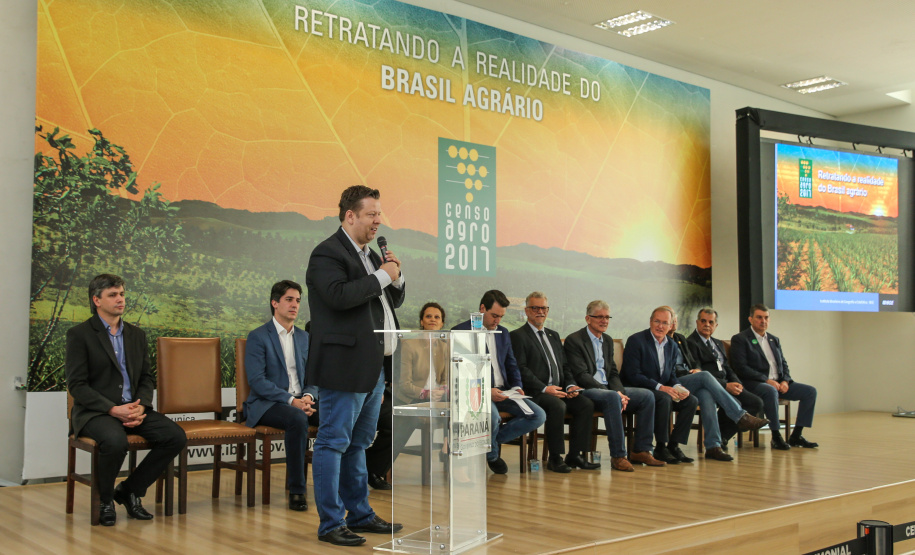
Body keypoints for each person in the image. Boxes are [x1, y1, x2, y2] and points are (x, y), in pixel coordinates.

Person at [305, 185, 405, 546]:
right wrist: (382, 275)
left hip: (373, 366)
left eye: (379, 214)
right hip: (343, 365)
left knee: (359, 442)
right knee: (333, 441)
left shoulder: (368, 256)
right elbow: (340, 296)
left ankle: (359, 513)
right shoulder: (327, 253)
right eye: (371, 214)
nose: (378, 221)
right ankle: (331, 522)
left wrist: (396, 274)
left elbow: (391, 297)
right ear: (350, 216)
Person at [65, 274, 186, 526]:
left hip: (133, 408)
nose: (120, 299)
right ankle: (106, 500)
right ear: (96, 300)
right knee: (114, 440)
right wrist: (112, 409)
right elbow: (77, 385)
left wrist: (140, 406)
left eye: (121, 294)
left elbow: (145, 377)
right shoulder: (80, 334)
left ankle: (130, 490)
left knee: (175, 436)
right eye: (112, 295)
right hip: (96, 413)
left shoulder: (136, 335)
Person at [242, 280, 318, 511]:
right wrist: (292, 401)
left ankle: (337, 483)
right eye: (289, 300)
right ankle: (297, 490)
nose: (294, 305)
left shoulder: (305, 337)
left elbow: (313, 377)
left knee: (336, 414)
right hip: (268, 404)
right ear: (275, 303)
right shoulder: (258, 336)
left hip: (300, 400)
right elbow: (257, 381)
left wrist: (307, 397)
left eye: (297, 301)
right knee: (297, 418)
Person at [563, 300, 664, 471]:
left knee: (647, 396)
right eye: (599, 317)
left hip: (608, 390)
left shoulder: (608, 340)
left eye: (607, 317)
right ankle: (618, 456)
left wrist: (619, 391)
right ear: (588, 318)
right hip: (587, 390)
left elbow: (613, 374)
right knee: (611, 397)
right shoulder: (575, 340)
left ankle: (641, 450)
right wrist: (612, 393)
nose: (604, 321)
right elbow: (582, 375)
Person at [452, 290, 546, 474]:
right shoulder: (460, 332)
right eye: (494, 315)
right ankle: (493, 455)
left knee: (538, 415)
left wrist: (517, 386)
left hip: (505, 391)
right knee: (493, 418)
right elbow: (461, 373)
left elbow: (511, 364)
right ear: (481, 308)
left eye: (501, 317)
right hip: (476, 392)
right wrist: (487, 391)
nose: (497, 321)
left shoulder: (503, 332)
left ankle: (490, 443)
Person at [510, 292, 596, 473]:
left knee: (585, 404)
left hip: (559, 390)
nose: (540, 312)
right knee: (557, 406)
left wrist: (571, 386)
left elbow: (565, 366)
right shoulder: (518, 336)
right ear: (527, 311)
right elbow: (521, 369)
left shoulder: (553, 335)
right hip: (535, 392)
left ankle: (575, 455)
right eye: (535, 308)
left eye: (544, 308)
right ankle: (555, 458)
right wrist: (544, 388)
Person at [667, 309, 768, 461]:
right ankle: (740, 416)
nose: (673, 323)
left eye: (674, 320)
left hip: (691, 379)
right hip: (675, 380)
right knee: (706, 376)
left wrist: (696, 369)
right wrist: (702, 373)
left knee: (707, 395)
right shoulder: (681, 340)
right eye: (668, 320)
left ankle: (713, 446)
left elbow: (694, 362)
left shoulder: (680, 338)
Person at [729, 304, 819, 450]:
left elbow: (783, 363)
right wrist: (766, 380)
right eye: (759, 317)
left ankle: (796, 435)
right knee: (770, 391)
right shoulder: (741, 339)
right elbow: (741, 368)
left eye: (766, 318)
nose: (763, 321)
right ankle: (776, 436)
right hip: (754, 384)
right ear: (750, 319)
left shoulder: (773, 339)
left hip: (777, 383)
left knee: (810, 392)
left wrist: (785, 380)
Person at [620, 306, 699, 464]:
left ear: (671, 326)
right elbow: (632, 374)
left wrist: (679, 388)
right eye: (657, 321)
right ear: (650, 322)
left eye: (665, 323)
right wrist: (660, 387)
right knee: (664, 398)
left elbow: (671, 375)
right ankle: (660, 447)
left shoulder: (672, 345)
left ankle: (673, 445)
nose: (660, 326)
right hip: (638, 388)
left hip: (660, 389)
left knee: (691, 400)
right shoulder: (636, 340)